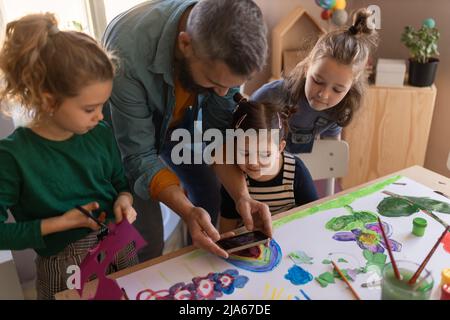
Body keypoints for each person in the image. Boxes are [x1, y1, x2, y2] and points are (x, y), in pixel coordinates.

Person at [102, 0, 272, 261]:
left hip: (180, 122)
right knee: (146, 238)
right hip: (123, 137)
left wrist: (242, 196)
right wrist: (187, 210)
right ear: (185, 44)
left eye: (233, 86)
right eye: (215, 82)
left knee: (209, 189)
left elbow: (219, 137)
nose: (224, 93)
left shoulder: (222, 58)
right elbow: (139, 156)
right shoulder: (125, 51)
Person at [0, 13, 138, 299]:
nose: (100, 116)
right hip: (64, 269)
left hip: (118, 249)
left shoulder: (99, 132)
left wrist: (124, 201)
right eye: (89, 109)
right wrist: (61, 223)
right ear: (49, 100)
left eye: (103, 105)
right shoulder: (13, 156)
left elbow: (119, 184)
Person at [251, 8, 379, 154]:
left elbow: (330, 157)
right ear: (307, 68)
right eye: (318, 81)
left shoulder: (339, 110)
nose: (323, 95)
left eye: (337, 90)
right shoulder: (269, 96)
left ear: (351, 87)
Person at [220, 93, 318, 232]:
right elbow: (227, 229)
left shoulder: (295, 170)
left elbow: (314, 214)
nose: (253, 163)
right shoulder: (233, 179)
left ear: (280, 148)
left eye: (265, 154)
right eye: (245, 153)